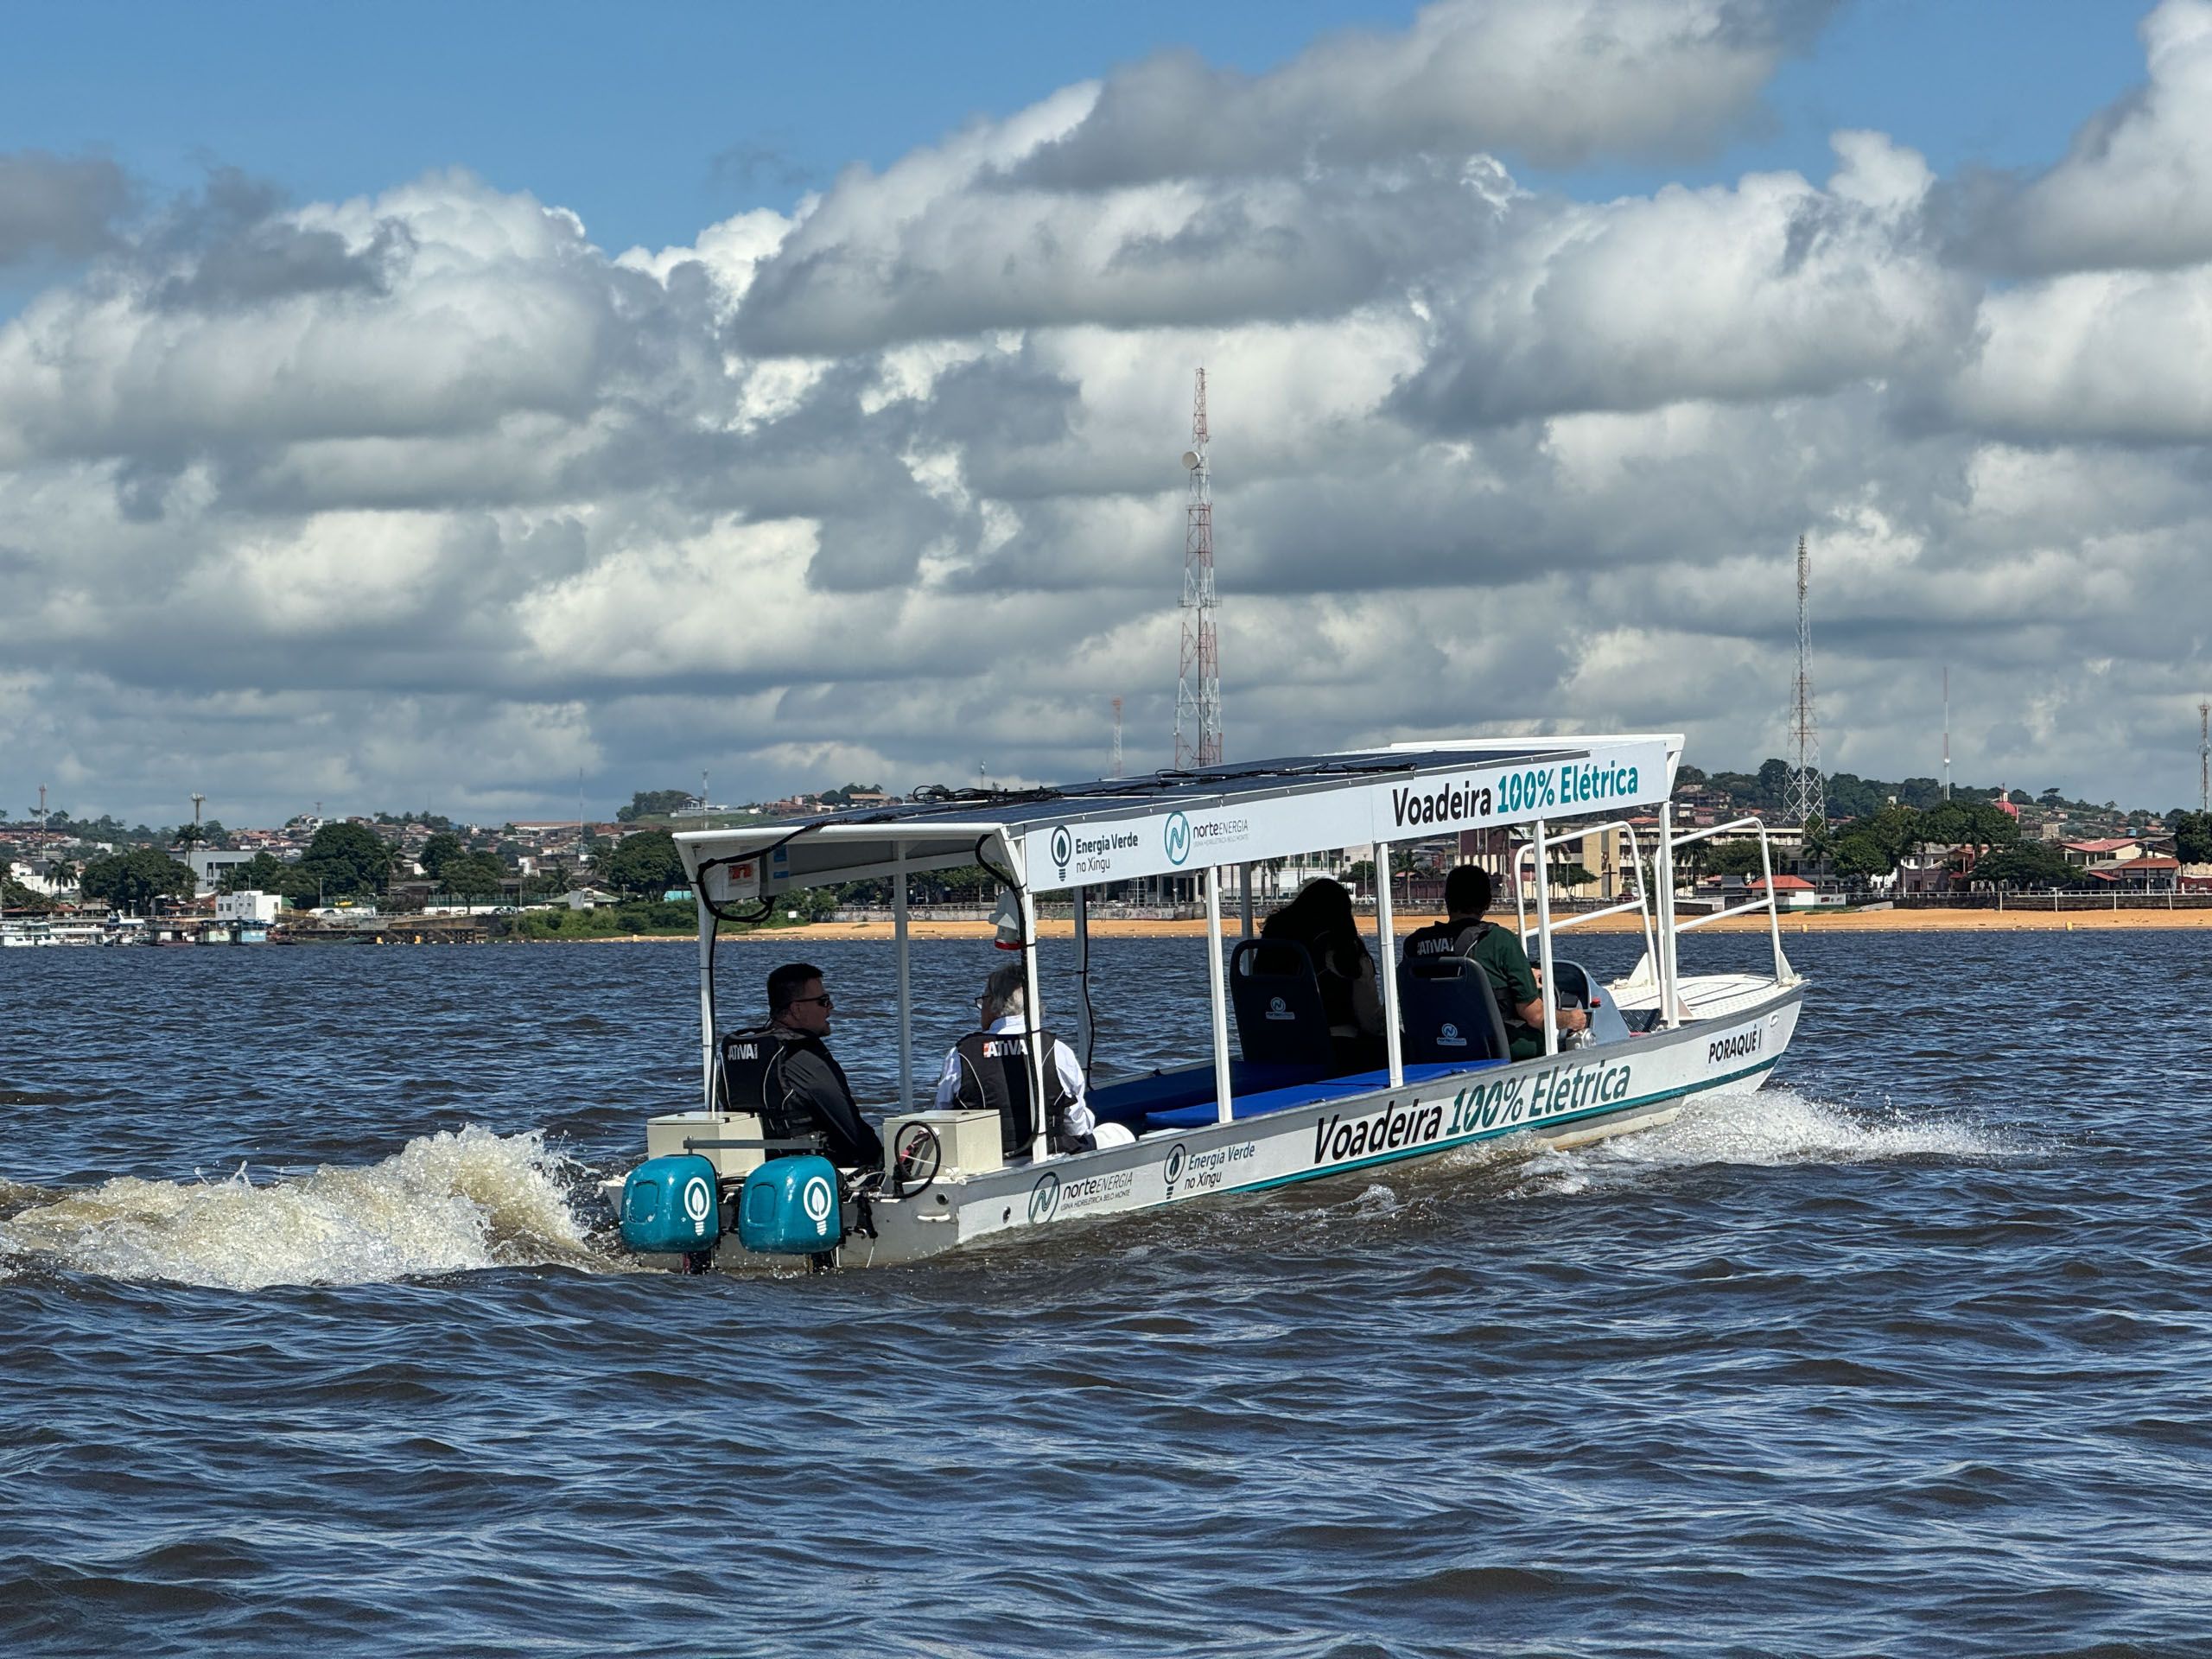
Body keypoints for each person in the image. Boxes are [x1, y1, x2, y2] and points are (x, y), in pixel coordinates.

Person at [1401, 866, 1587, 1061]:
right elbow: (1535, 1016)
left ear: (1447, 900)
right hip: (1493, 1049)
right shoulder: (1499, 940)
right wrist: (1570, 1019)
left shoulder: (1414, 944)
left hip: (1434, 1048)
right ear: (1488, 902)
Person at [719, 962, 883, 1170]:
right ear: (796, 1009)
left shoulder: (742, 1054)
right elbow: (852, 1130)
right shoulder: (803, 1056)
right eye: (823, 1001)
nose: (830, 1007)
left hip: (755, 1167)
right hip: (812, 1170)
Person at [934, 961, 1099, 1158]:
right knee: (1114, 1133)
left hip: (983, 1163)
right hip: (1050, 1158)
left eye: (983, 1000)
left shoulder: (960, 1055)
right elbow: (1077, 1126)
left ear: (994, 1003)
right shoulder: (1057, 1050)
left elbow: (941, 1116)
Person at [1261, 876, 1384, 1070]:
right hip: (1336, 1046)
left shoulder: (1271, 945)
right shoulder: (1343, 950)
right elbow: (1368, 1018)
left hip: (1277, 1043)